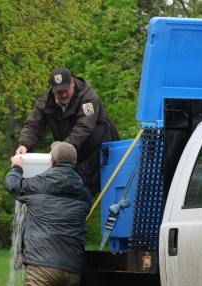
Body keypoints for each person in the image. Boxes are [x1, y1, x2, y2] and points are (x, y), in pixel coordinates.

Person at [5, 141, 92, 286]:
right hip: (72, 269)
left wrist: (16, 168)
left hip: (42, 267)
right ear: (74, 163)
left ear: (52, 161)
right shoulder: (84, 194)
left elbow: (12, 185)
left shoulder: (38, 184)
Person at [15, 67, 122, 196]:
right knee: (69, 196)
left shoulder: (88, 98)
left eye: (66, 90)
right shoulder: (45, 101)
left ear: (72, 83)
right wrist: (24, 144)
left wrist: (61, 149)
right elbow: (33, 124)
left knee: (111, 193)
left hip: (101, 153)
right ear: (52, 90)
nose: (64, 95)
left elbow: (83, 128)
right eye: (59, 92)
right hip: (71, 156)